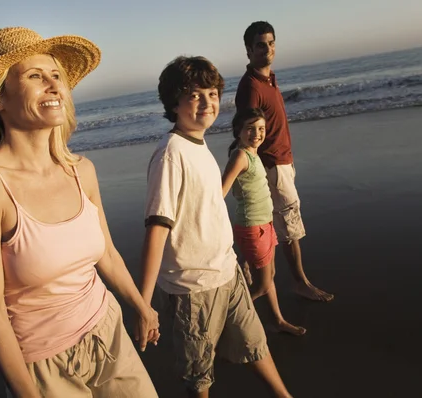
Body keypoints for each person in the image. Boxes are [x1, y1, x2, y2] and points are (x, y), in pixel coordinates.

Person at [0, 27, 159, 398]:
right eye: (35, 76)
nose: (54, 86)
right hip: (45, 366)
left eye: (56, 75)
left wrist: (141, 305)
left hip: (108, 333)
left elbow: (105, 251)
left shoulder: (80, 169)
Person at [137, 56, 292, 398]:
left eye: (212, 93)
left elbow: (208, 208)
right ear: (173, 103)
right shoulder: (170, 154)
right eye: (194, 95)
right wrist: (143, 305)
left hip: (226, 270)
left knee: (254, 342)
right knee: (199, 375)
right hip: (193, 287)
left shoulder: (199, 144)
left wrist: (237, 260)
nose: (207, 102)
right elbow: (157, 229)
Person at [235, 21, 334, 302]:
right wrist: (253, 170)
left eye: (271, 43)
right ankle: (300, 282)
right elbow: (246, 132)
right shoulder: (251, 87)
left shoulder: (268, 80)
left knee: (272, 223)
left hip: (283, 162)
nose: (267, 49)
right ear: (248, 50)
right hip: (271, 165)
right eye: (260, 45)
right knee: (290, 228)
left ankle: (247, 270)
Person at [222, 108, 307, 336]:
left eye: (261, 128)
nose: (256, 133)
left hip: (265, 225)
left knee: (269, 278)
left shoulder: (253, 154)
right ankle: (227, 319)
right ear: (238, 131)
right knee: (261, 284)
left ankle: (276, 321)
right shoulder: (240, 156)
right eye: (250, 128)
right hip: (252, 227)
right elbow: (221, 191)